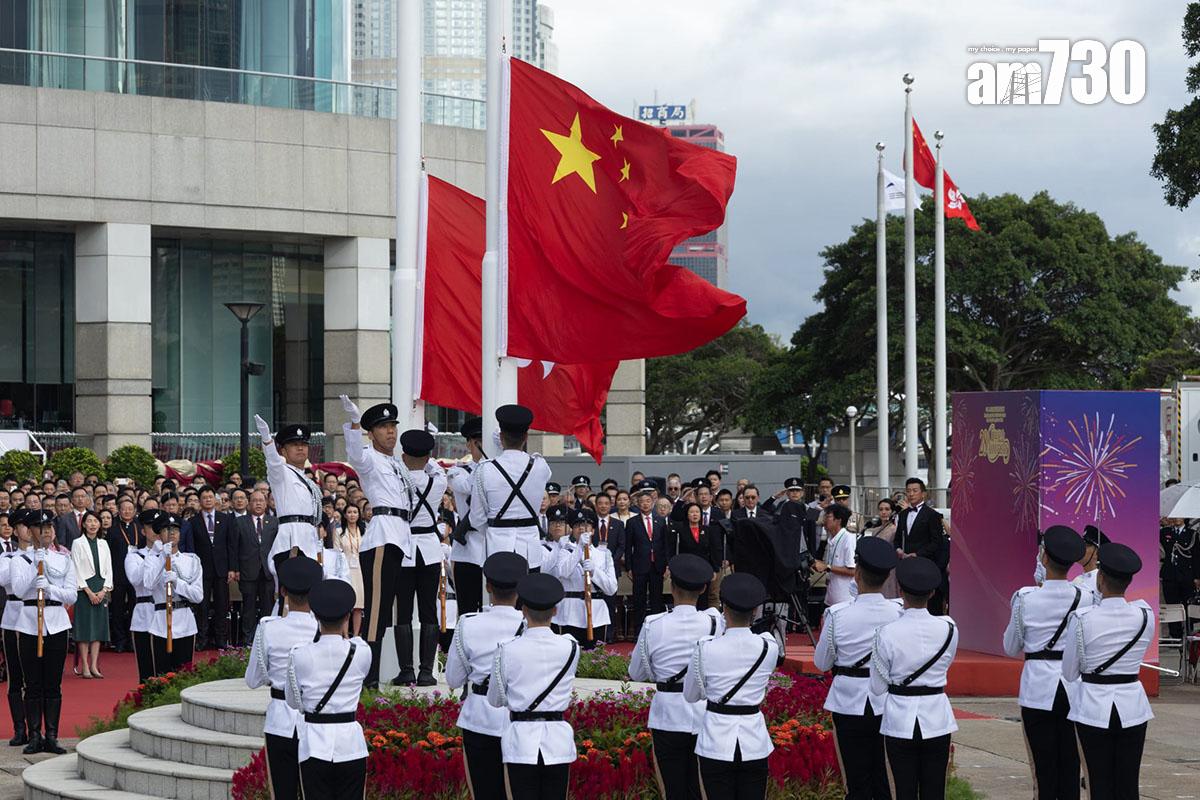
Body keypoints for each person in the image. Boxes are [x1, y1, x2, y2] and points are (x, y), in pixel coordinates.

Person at [1002, 525, 1092, 800]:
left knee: (1043, 770)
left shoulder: (1026, 597)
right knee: (1070, 764)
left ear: (1043, 558)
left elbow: (1010, 647)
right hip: (1073, 687)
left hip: (1038, 687)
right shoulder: (1084, 596)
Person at [1062, 543, 1154, 800]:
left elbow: (1069, 673)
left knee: (1098, 783)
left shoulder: (1082, 618)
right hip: (1132, 706)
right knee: (1128, 784)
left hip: (1093, 706)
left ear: (1100, 578)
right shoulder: (1145, 614)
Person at [814, 537, 903, 800]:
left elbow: (822, 663)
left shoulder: (838, 614)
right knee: (884, 777)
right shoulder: (897, 612)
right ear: (887, 575)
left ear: (858, 572)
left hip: (849, 700)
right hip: (887, 700)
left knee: (856, 779)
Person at [629, 554, 723, 800]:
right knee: (702, 788)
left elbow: (636, 672)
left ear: (671, 586)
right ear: (703, 588)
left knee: (673, 790)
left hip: (667, 715)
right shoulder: (714, 622)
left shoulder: (653, 623)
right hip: (704, 711)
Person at [683, 572, 780, 800]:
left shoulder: (705, 648)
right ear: (755, 611)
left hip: (715, 740)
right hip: (754, 741)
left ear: (723, 608)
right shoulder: (769, 646)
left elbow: (690, 695)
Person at [869, 556, 959, 800]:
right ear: (931, 593)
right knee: (934, 791)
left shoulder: (886, 633)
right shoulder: (949, 628)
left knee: (903, 792)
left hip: (900, 716)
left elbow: (877, 688)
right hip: (937, 716)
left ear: (900, 590)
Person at [339, 398, 412, 689]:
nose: (390, 432)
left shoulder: (396, 462)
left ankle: (386, 671)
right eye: (383, 427)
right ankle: (368, 677)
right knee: (377, 610)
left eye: (392, 426)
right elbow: (354, 454)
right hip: (382, 536)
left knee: (394, 610)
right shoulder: (368, 457)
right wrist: (355, 424)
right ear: (372, 433)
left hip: (402, 536)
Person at [487, 572, 579, 800]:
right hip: (557, 741)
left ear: (523, 610)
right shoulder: (571, 646)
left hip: (520, 741)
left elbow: (495, 699)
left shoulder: (507, 648)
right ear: (556, 610)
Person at [446, 552, 529, 800]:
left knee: (484, 792)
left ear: (488, 586)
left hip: (480, 717)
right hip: (520, 715)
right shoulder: (529, 625)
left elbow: (453, 680)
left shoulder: (469, 624)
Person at [282, 579, 371, 799]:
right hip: (350, 744)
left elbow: (292, 702)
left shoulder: (300, 653)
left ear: (316, 616)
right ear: (348, 616)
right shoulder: (362, 652)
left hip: (314, 744)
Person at [246, 557, 322, 800]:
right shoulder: (321, 629)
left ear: (283, 591)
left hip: (280, 717)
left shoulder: (269, 627)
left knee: (282, 793)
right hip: (315, 721)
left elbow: (253, 679)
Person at [11, 510, 76, 754]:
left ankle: (51, 735)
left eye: (49, 526)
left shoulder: (63, 559)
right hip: (29, 622)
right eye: (40, 526)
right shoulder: (20, 559)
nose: (46, 530)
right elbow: (18, 590)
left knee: (53, 683)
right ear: (30, 531)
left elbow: (71, 594)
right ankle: (34, 735)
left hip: (56, 621)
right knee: (33, 683)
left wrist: (50, 589)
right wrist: (34, 567)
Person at [469, 405, 553, 572]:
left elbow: (477, 519)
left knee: (499, 598)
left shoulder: (485, 469)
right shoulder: (539, 466)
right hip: (530, 551)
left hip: (496, 548)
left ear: (500, 437)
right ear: (526, 437)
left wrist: (496, 527)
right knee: (528, 597)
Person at [393, 428, 447, 687]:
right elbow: (436, 468)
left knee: (403, 612)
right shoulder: (438, 481)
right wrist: (429, 456)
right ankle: (427, 671)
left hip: (403, 550)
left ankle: (406, 671)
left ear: (404, 456)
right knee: (429, 611)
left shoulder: (397, 482)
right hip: (429, 549)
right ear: (427, 456)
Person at [255, 417, 324, 595]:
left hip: (309, 536)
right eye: (294, 445)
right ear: (283, 451)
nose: (301, 448)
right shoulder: (281, 472)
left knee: (311, 594)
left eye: (304, 444)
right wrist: (267, 440)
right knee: (288, 596)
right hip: (291, 537)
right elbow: (273, 461)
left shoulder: (307, 479)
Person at [143, 513, 204, 674]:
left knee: (184, 674)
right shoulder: (152, 559)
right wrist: (163, 557)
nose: (171, 533)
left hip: (185, 621)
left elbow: (198, 596)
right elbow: (148, 583)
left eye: (175, 530)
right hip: (161, 622)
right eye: (166, 530)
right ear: (159, 535)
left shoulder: (191, 561)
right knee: (161, 674)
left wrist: (178, 582)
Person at [550, 509, 617, 649]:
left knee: (596, 658)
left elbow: (611, 588)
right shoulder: (565, 551)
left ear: (592, 530)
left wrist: (594, 571)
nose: (581, 528)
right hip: (570, 612)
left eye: (586, 525)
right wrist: (579, 548)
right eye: (577, 526)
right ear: (572, 531)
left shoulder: (603, 554)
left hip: (596, 612)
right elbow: (563, 572)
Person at [184, 485, 235, 650]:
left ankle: (221, 639)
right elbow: (191, 548)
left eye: (210, 497)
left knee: (222, 606)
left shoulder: (226, 519)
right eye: (204, 497)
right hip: (201, 571)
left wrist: (232, 568)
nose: (207, 500)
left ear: (215, 499)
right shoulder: (193, 522)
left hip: (221, 570)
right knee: (202, 606)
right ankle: (202, 639)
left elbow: (231, 545)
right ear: (199, 501)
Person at [447, 417, 487, 616]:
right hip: (467, 549)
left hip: (491, 546)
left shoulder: (495, 470)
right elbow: (466, 486)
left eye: (484, 440)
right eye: (477, 441)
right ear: (469, 443)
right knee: (467, 610)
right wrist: (485, 464)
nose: (481, 445)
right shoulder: (458, 471)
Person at [1, 510, 33, 746]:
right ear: (15, 530)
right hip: (13, 616)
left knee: (35, 677)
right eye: (23, 526)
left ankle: (36, 728)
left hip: (35, 616)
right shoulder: (8, 558)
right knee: (16, 676)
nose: (28, 530)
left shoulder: (45, 555)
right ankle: (19, 727)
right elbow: (4, 580)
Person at [894, 478, 948, 615]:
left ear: (923, 494)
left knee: (930, 607)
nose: (911, 494)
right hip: (907, 565)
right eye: (908, 491)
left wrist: (918, 554)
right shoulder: (902, 515)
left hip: (926, 566)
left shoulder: (933, 515)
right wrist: (899, 550)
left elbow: (936, 543)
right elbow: (898, 539)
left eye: (915, 491)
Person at [70, 510, 112, 678]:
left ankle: (94, 665)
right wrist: (88, 591)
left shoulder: (103, 543)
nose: (93, 524)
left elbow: (109, 568)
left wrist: (104, 590)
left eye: (96, 521)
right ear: (84, 524)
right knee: (85, 628)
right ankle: (85, 666)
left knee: (99, 629)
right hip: (84, 589)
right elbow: (76, 568)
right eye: (90, 521)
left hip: (101, 587)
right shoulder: (77, 543)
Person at [624, 479, 669, 637]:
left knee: (657, 600)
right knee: (639, 600)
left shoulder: (661, 521)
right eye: (642, 501)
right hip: (639, 566)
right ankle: (638, 633)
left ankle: (657, 634)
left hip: (657, 566)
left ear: (653, 502)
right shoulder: (632, 522)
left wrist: (667, 566)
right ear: (638, 503)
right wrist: (629, 567)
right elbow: (628, 546)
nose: (645, 504)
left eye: (648, 501)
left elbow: (665, 545)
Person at [233, 490, 278, 646]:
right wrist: (235, 569)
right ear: (249, 503)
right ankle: (248, 640)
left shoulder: (273, 522)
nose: (258, 503)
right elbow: (234, 548)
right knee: (249, 608)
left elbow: (277, 548)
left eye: (261, 501)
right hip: (247, 571)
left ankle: (267, 639)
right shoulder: (240, 522)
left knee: (268, 607)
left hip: (268, 572)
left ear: (266, 504)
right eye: (254, 501)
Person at [126, 509, 159, 682]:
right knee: (146, 668)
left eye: (158, 527)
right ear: (143, 531)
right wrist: (154, 554)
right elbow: (137, 579)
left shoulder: (171, 554)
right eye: (151, 527)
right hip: (144, 612)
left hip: (165, 613)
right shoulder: (135, 556)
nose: (156, 531)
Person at [107, 497, 140, 653]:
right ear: (119, 511)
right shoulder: (113, 530)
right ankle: (120, 640)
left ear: (134, 511)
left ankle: (133, 640)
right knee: (118, 609)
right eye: (124, 509)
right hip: (118, 574)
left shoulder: (140, 528)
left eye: (130, 508)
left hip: (136, 576)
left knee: (135, 607)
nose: (127, 511)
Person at [813, 504, 856, 607]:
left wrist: (827, 567)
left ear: (838, 520)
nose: (824, 520)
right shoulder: (831, 539)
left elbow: (853, 571)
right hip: (831, 597)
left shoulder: (848, 539)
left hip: (844, 600)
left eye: (828, 516)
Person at [335, 504, 365, 636]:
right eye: (349, 512)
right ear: (345, 515)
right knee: (347, 605)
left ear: (359, 515)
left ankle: (357, 634)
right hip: (346, 570)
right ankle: (345, 634)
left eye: (355, 512)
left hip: (361, 570)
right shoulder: (338, 531)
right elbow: (337, 552)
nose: (352, 515)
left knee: (358, 605)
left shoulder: (364, 531)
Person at [864, 499, 900, 599]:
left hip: (890, 568)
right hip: (876, 566)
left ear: (892, 512)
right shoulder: (874, 530)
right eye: (881, 509)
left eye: (887, 509)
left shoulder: (895, 529)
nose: (883, 512)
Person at [1072, 526, 1108, 605]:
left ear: (1097, 552)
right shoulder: (1078, 579)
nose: (1080, 548)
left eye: (1086, 545)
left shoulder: (1102, 581)